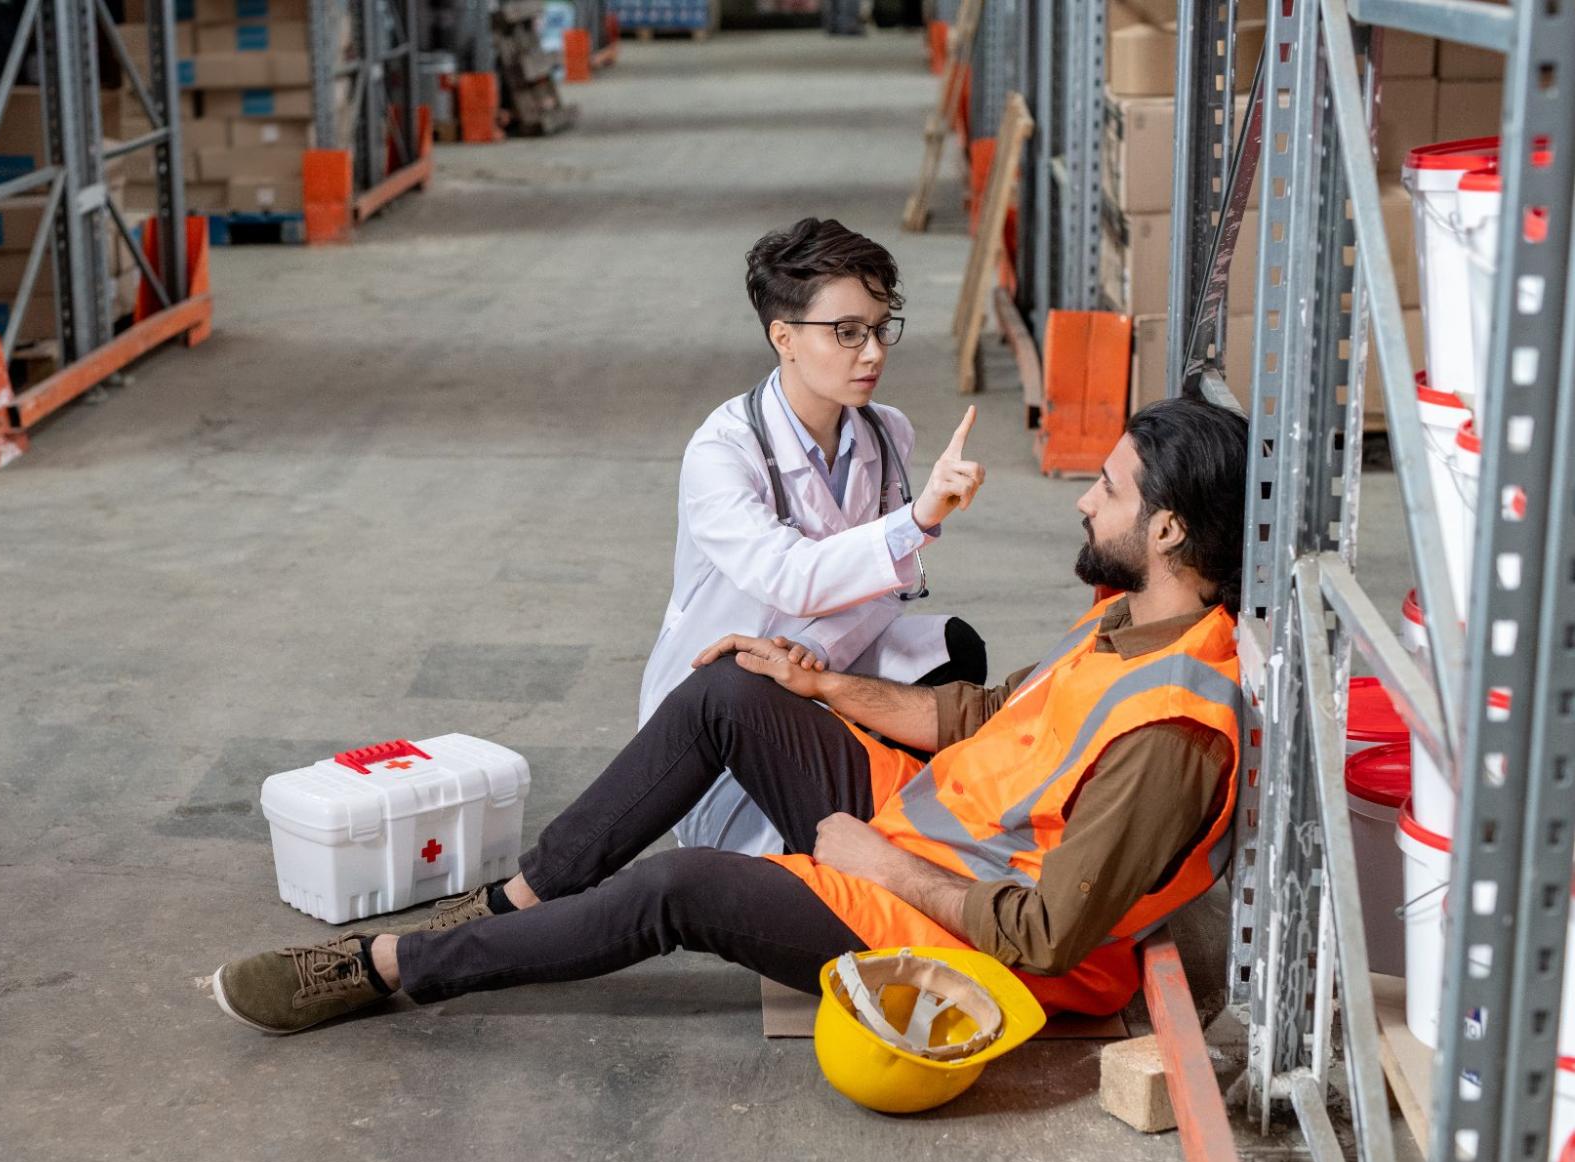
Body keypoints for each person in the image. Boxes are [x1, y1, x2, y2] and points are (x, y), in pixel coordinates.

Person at [211, 396, 1248, 1035]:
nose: (1080, 500)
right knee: (727, 690)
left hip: (962, 934)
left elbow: (1049, 938)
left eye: (1104, 490)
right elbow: (977, 713)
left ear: (1164, 527)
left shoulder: (1170, 730)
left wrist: (876, 865)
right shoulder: (1124, 620)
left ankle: (388, 969)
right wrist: (821, 688)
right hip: (924, 828)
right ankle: (516, 898)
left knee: (681, 886)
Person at [642, 218, 988, 856]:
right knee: (785, 852)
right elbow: (791, 578)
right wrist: (915, 521)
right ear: (784, 337)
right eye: (847, 332)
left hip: (822, 661)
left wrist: (815, 657)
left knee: (950, 650)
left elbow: (888, 589)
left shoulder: (885, 435)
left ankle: (891, 813)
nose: (874, 352)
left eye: (881, 329)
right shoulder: (724, 452)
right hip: (724, 698)